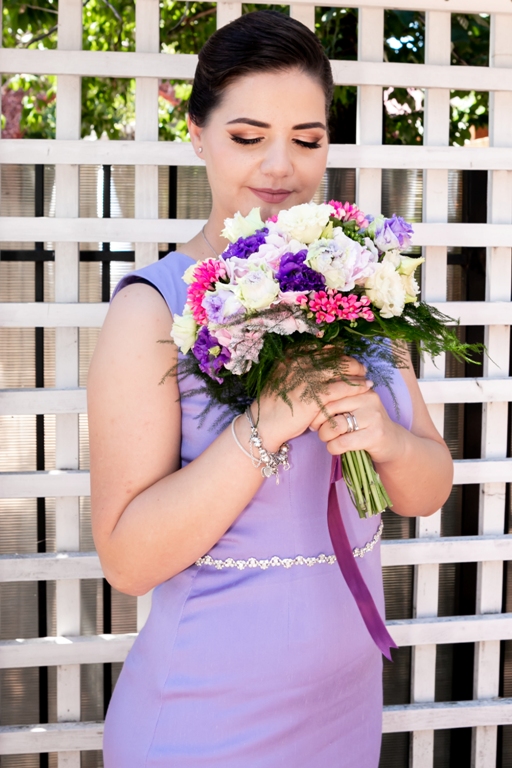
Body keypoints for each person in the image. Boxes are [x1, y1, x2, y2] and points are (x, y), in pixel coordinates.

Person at [88, 11, 453, 767]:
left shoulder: (360, 284)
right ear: (197, 134)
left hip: (345, 708)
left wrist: (384, 438)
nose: (281, 166)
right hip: (207, 720)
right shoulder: (151, 309)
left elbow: (427, 489)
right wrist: (267, 422)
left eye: (307, 140)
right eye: (249, 137)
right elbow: (126, 561)